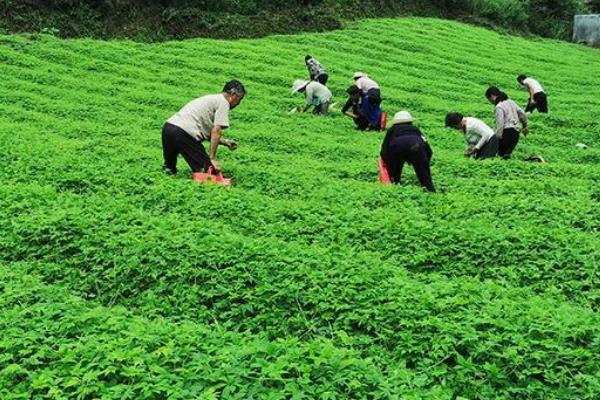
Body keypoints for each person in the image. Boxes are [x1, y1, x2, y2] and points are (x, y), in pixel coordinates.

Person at [161, 80, 245, 176]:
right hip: (183, 133)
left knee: (169, 170)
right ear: (233, 95)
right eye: (240, 99)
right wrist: (212, 158)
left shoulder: (212, 99)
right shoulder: (224, 102)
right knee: (209, 172)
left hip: (168, 129)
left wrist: (226, 142)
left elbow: (207, 131)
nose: (238, 103)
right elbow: (216, 131)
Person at [380, 111, 435, 192]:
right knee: (424, 173)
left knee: (395, 172)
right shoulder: (415, 129)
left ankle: (394, 185)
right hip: (416, 144)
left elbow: (385, 148)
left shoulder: (392, 130)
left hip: (397, 145)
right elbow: (427, 147)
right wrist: (425, 162)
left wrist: (388, 163)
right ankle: (429, 190)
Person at [485, 86, 529, 159]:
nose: (490, 102)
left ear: (492, 96)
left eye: (489, 99)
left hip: (506, 134)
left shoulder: (499, 107)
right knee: (506, 157)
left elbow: (500, 124)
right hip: (515, 135)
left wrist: (496, 140)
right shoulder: (511, 102)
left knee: (499, 157)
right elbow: (522, 114)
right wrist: (525, 126)